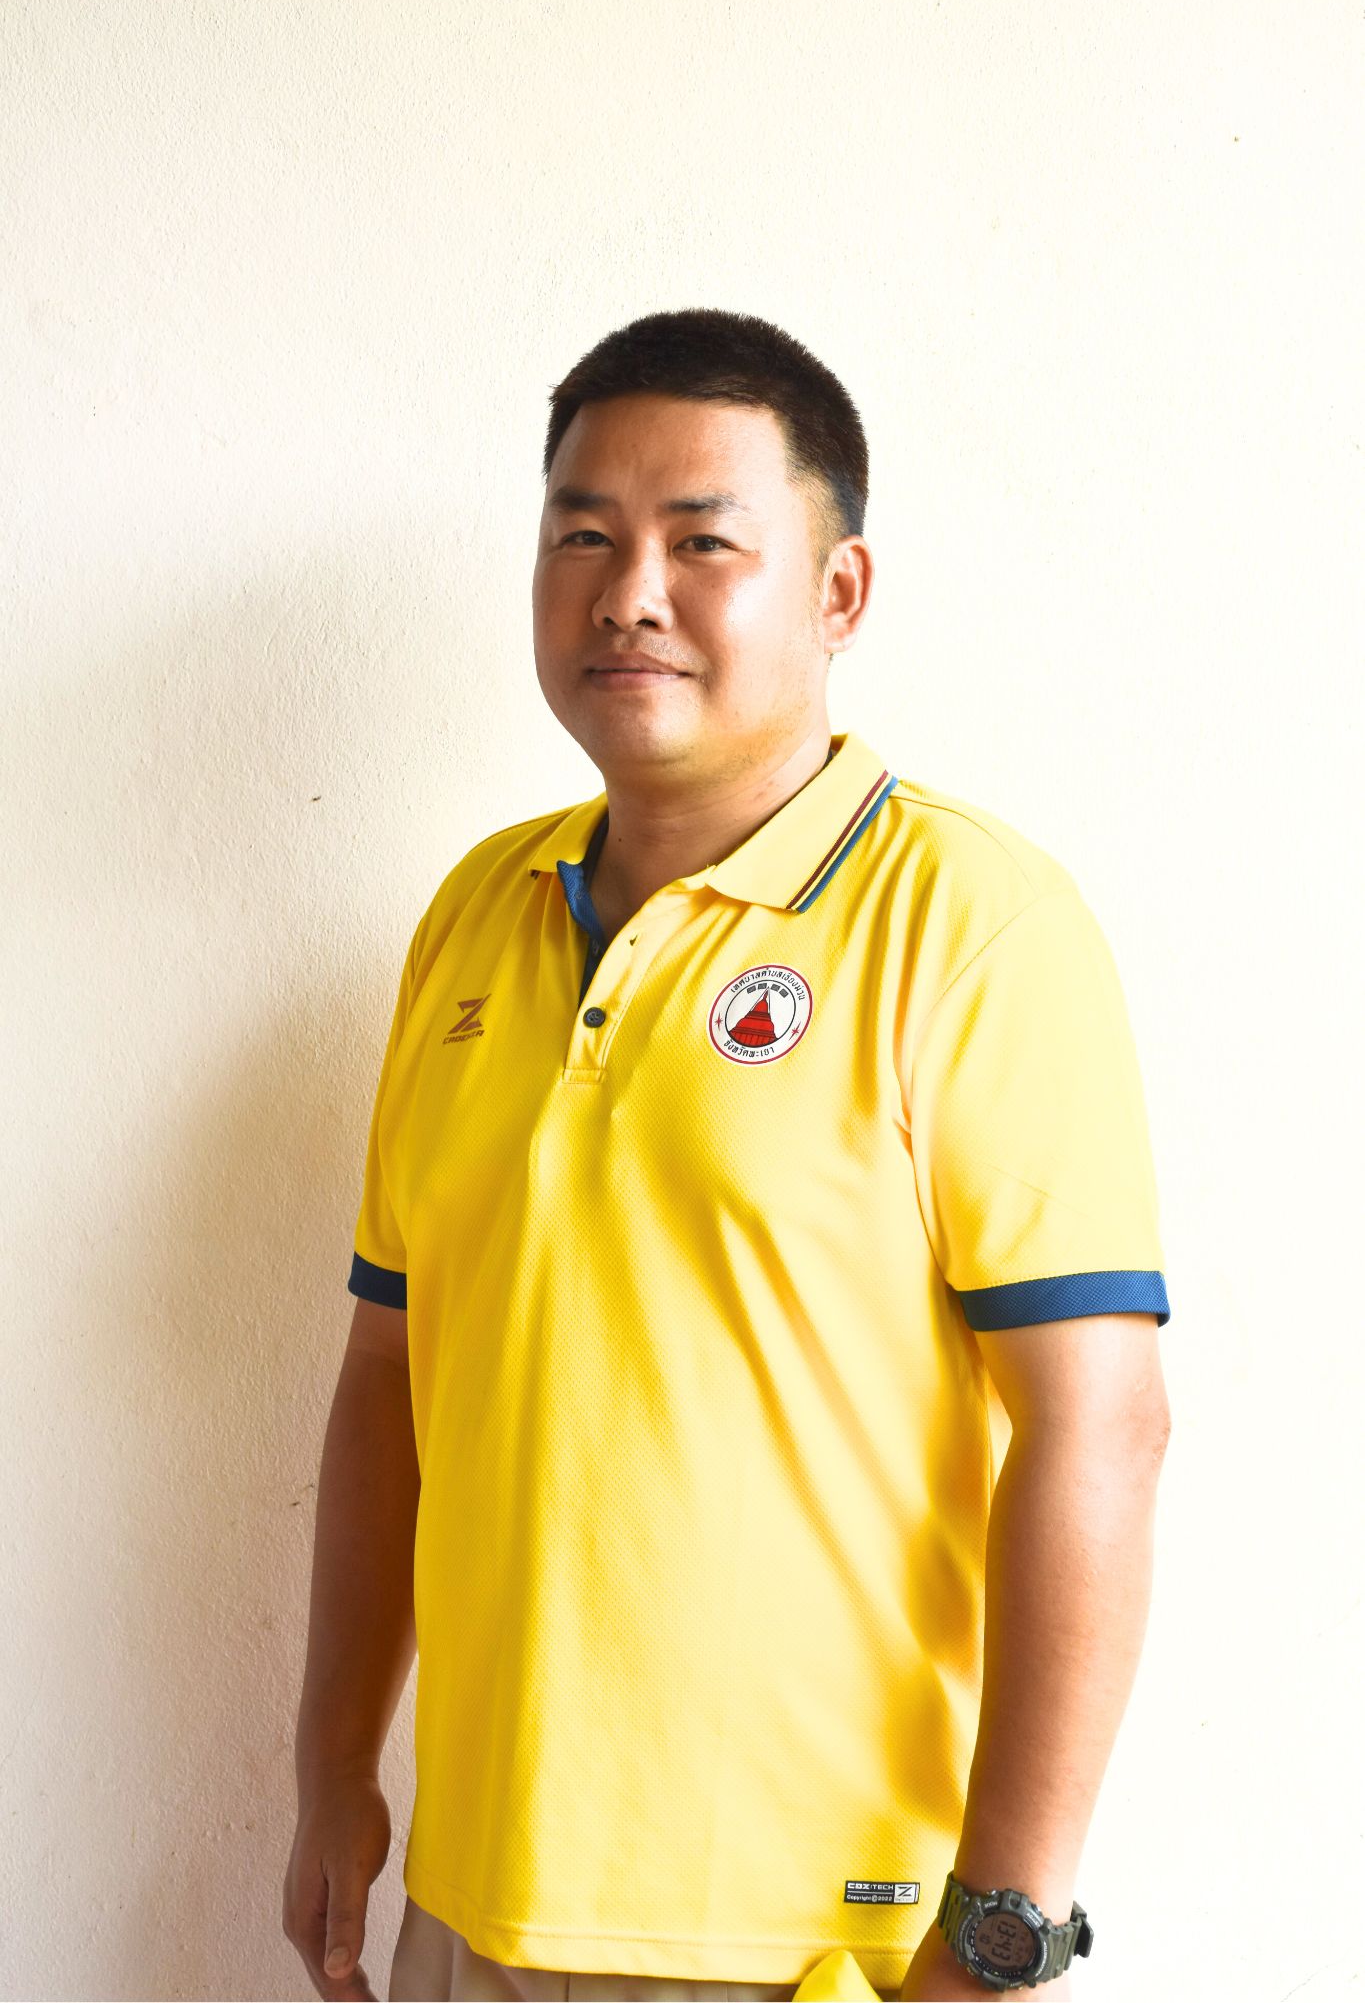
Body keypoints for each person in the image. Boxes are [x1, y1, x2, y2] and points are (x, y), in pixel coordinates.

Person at [282, 308, 1172, 2003]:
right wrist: (334, 1765)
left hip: (803, 1935)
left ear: (837, 593)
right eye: (582, 537)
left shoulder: (970, 923)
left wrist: (1001, 1926)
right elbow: (389, 1369)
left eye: (702, 542)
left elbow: (1100, 1427)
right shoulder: (473, 913)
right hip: (469, 1898)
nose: (630, 593)